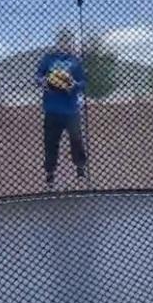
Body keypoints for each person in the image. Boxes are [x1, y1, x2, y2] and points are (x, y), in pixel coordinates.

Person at [35, 28, 88, 187]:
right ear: (57, 42)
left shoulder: (75, 61)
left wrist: (73, 85)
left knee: (76, 141)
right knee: (51, 142)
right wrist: (44, 82)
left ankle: (80, 170)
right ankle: (50, 173)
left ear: (71, 43)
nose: (65, 43)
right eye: (62, 40)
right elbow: (38, 76)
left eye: (68, 40)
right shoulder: (48, 59)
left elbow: (83, 82)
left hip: (71, 110)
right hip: (52, 109)